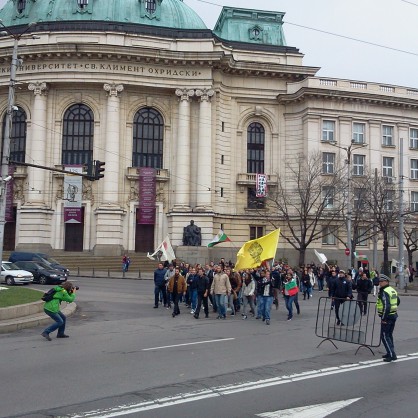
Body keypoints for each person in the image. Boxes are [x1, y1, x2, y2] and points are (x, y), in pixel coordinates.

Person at [377, 276, 399, 362]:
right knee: (389, 335)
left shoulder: (384, 291)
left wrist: (383, 318)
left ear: (386, 282)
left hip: (387, 316)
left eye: (381, 282)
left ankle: (391, 354)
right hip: (393, 315)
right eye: (380, 282)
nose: (380, 283)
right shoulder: (392, 289)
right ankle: (390, 351)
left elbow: (387, 306)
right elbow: (398, 301)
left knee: (385, 336)